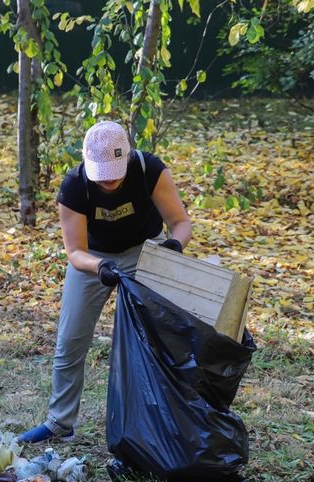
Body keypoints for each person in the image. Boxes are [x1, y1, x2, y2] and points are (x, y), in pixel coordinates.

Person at [18, 120, 192, 444]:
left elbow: (180, 223)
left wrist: (174, 247)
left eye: (115, 170)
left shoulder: (148, 170)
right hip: (94, 258)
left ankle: (163, 419)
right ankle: (60, 422)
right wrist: (100, 267)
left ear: (126, 157)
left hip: (146, 251)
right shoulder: (74, 185)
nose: (109, 179)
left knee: (160, 340)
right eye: (102, 172)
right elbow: (75, 252)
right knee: (70, 340)